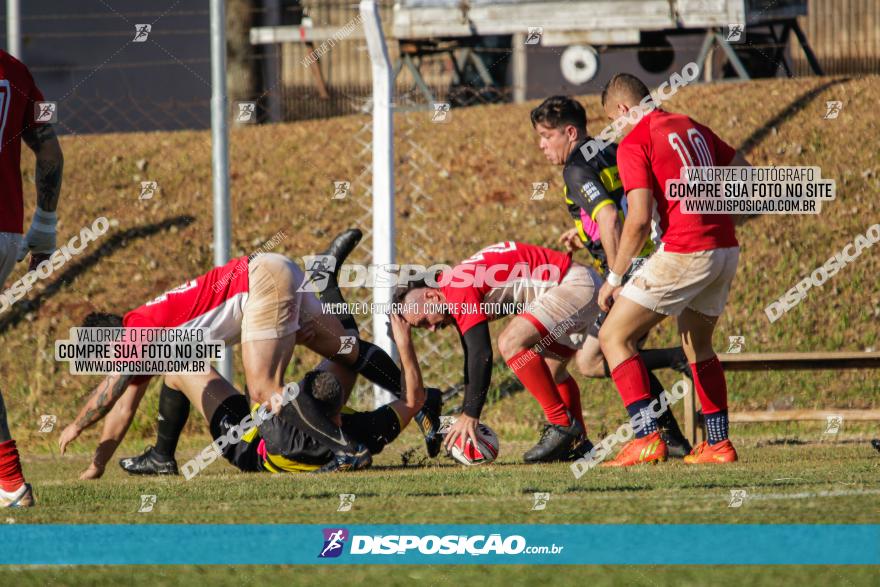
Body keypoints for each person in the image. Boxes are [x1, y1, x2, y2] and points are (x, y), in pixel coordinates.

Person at [58, 231, 441, 476]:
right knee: (346, 349)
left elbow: (112, 391)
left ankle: (347, 450)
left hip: (258, 282)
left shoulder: (134, 329)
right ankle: (324, 278)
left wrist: (77, 424)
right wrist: (97, 465)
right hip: (277, 273)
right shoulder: (149, 338)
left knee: (263, 388)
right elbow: (124, 406)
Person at [596, 73, 751, 466]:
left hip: (686, 250)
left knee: (613, 337)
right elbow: (745, 171)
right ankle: (718, 444)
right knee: (697, 346)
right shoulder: (691, 125)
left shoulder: (636, 140)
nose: (613, 132)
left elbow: (637, 218)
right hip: (724, 249)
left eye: (612, 123)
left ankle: (647, 437)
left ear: (622, 110)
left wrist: (614, 278)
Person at [530, 95, 692, 455]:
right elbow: (624, 201)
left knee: (595, 358)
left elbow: (609, 218)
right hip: (655, 256)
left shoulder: (574, 168)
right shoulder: (611, 148)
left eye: (546, 135)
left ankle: (668, 383)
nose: (541, 145)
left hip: (631, 269)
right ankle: (673, 438)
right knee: (619, 349)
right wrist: (584, 232)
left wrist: (616, 278)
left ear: (569, 132)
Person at [395, 241, 604, 463]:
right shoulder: (454, 285)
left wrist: (470, 415)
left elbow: (481, 354)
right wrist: (468, 409)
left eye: (425, 321)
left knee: (510, 342)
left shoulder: (456, 288)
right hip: (578, 284)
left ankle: (562, 425)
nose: (432, 329)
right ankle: (577, 445)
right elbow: (471, 358)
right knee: (553, 372)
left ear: (431, 296)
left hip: (574, 286)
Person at [0, 49, 65, 507]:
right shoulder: (16, 70)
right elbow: (49, 147)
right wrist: (44, 228)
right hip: (5, 231)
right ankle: (8, 482)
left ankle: (9, 480)